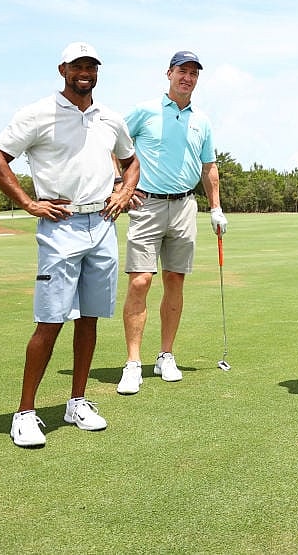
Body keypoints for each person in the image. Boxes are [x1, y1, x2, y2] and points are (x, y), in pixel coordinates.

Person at [0, 42, 140, 448]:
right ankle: (25, 413)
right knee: (51, 320)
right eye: (77, 65)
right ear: (63, 69)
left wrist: (124, 191)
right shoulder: (37, 114)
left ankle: (77, 401)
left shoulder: (110, 117)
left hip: (103, 224)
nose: (84, 72)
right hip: (62, 224)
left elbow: (131, 160)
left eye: (91, 66)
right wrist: (28, 203)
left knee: (89, 318)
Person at [115, 51, 226, 395]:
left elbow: (208, 167)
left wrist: (217, 207)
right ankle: (133, 362)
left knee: (175, 280)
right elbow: (114, 144)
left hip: (184, 206)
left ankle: (166, 355)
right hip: (146, 203)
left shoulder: (202, 121)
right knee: (140, 282)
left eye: (193, 73)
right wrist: (120, 184)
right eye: (182, 71)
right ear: (169, 73)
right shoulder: (145, 111)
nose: (187, 78)